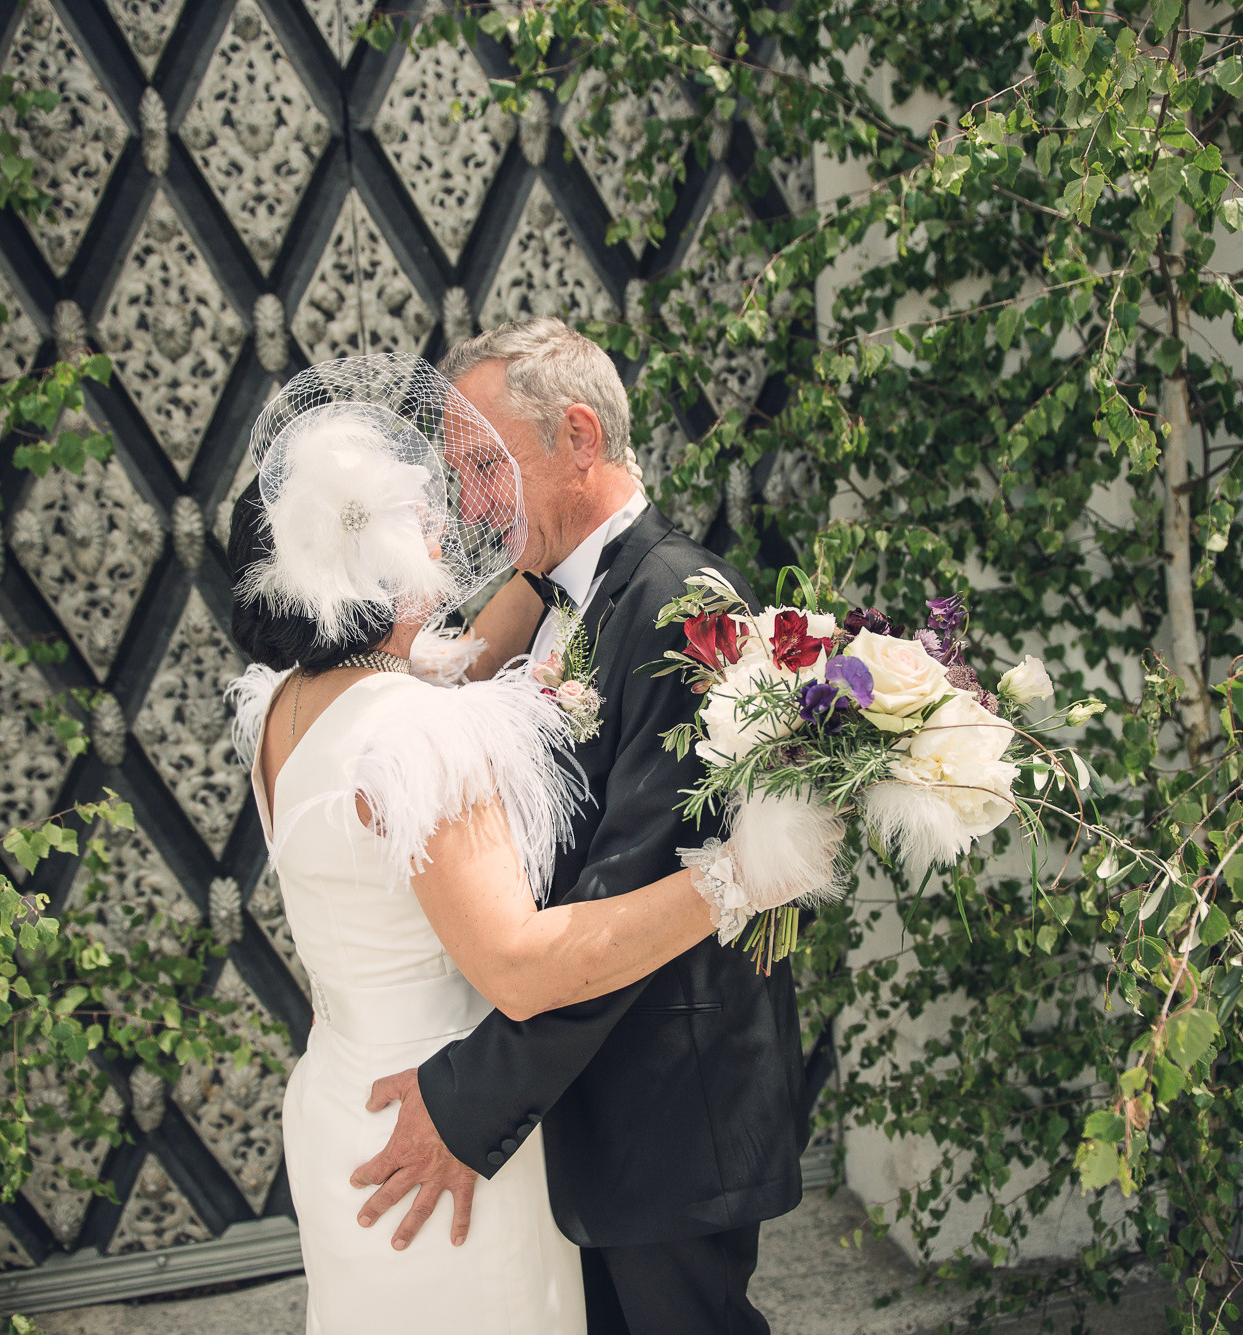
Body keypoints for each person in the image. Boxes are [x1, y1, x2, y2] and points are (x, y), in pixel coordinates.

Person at [223, 353, 837, 1335]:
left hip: (565, 1102)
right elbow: (520, 959)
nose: (463, 512)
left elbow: (491, 680)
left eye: (481, 467)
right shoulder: (416, 721)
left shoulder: (289, 712)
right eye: (443, 495)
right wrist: (742, 879)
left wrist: (561, 546)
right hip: (452, 1111)